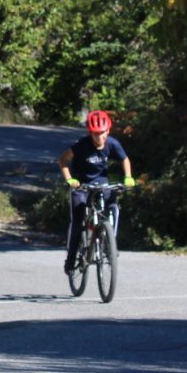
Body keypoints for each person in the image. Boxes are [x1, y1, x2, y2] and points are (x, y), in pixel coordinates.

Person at [58, 109, 135, 274]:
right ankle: (71, 259)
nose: (99, 137)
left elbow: (125, 159)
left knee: (113, 208)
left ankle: (109, 243)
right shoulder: (81, 145)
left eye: (102, 133)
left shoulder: (112, 143)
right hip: (81, 185)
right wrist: (70, 179)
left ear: (108, 130)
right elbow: (63, 160)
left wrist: (128, 176)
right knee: (78, 222)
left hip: (102, 184)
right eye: (95, 134)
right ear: (90, 133)